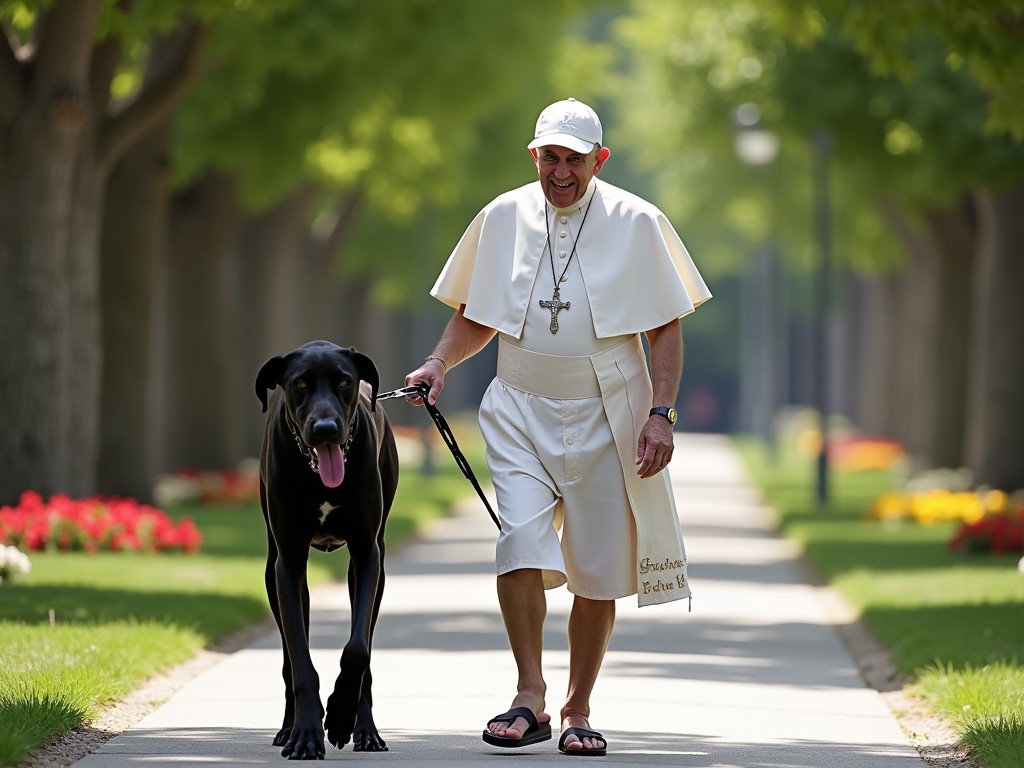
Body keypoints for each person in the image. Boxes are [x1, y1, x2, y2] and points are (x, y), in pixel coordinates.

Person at [404, 97, 711, 756]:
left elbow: (663, 329)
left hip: (611, 412)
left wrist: (661, 413)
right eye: (551, 157)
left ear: (599, 159)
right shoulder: (501, 216)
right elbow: (477, 314)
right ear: (534, 155)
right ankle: (529, 695)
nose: (561, 172)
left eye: (575, 159)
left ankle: (577, 707)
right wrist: (437, 363)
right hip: (519, 406)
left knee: (597, 572)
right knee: (520, 543)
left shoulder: (639, 221)